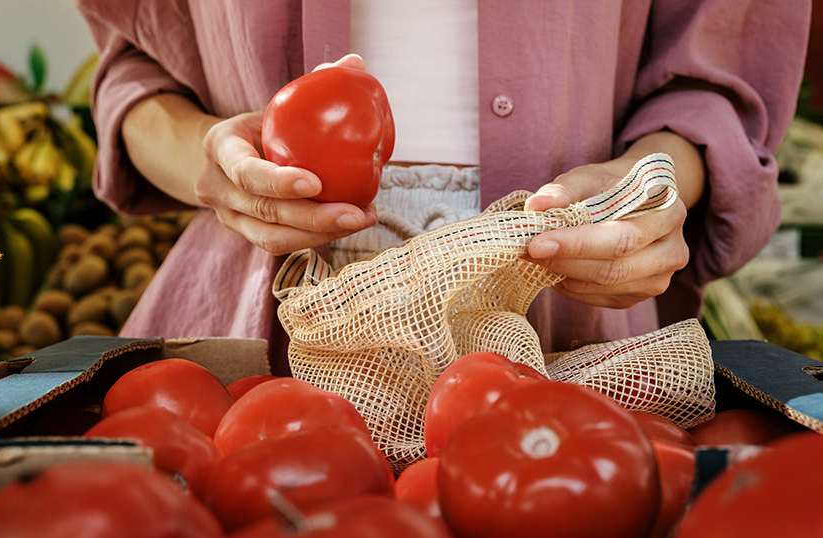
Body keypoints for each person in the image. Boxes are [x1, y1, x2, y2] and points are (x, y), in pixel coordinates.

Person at [73, 0, 811, 376]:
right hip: (252, 345)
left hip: (564, 334)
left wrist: (649, 184)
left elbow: (717, 77)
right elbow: (134, 68)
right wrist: (210, 164)